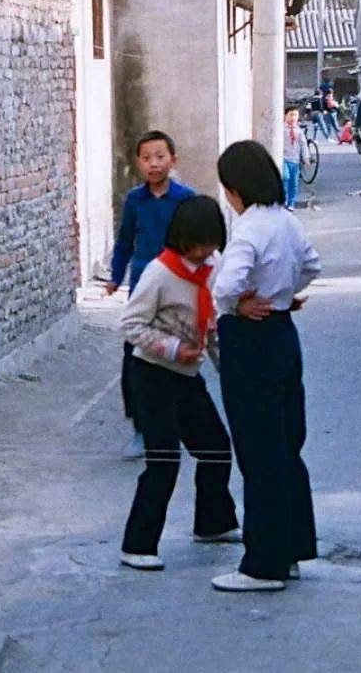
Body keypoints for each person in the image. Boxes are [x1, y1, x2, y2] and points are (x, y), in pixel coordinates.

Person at [210, 140, 321, 592]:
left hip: (250, 339)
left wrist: (237, 304)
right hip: (281, 333)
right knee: (286, 445)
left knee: (258, 452)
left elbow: (228, 282)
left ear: (235, 188)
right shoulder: (288, 221)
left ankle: (263, 564)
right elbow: (312, 265)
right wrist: (282, 295)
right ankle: (290, 548)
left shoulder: (249, 227)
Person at [119, 196, 251, 570]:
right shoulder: (160, 273)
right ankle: (138, 545)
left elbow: (213, 325)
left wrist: (230, 371)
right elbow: (130, 326)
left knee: (215, 448)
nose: (204, 252)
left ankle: (213, 523)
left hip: (187, 377)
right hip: (152, 374)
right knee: (164, 460)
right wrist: (173, 349)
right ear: (181, 239)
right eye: (197, 244)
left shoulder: (212, 267)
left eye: (210, 243)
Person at [107, 131, 195, 459]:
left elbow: (198, 239)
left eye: (160, 156)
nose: (153, 163)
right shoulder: (135, 200)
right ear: (138, 163)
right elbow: (125, 241)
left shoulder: (185, 199)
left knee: (176, 355)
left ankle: (179, 424)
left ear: (173, 160)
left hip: (177, 289)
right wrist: (116, 276)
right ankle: (140, 428)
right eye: (146, 158)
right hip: (142, 289)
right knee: (136, 357)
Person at [282, 105, 310, 211]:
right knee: (285, 177)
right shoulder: (281, 129)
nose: (293, 118)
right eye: (290, 115)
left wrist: (306, 157)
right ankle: (283, 200)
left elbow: (303, 145)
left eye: (295, 115)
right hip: (284, 158)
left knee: (294, 182)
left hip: (295, 160)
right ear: (285, 116)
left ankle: (291, 202)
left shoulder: (298, 131)